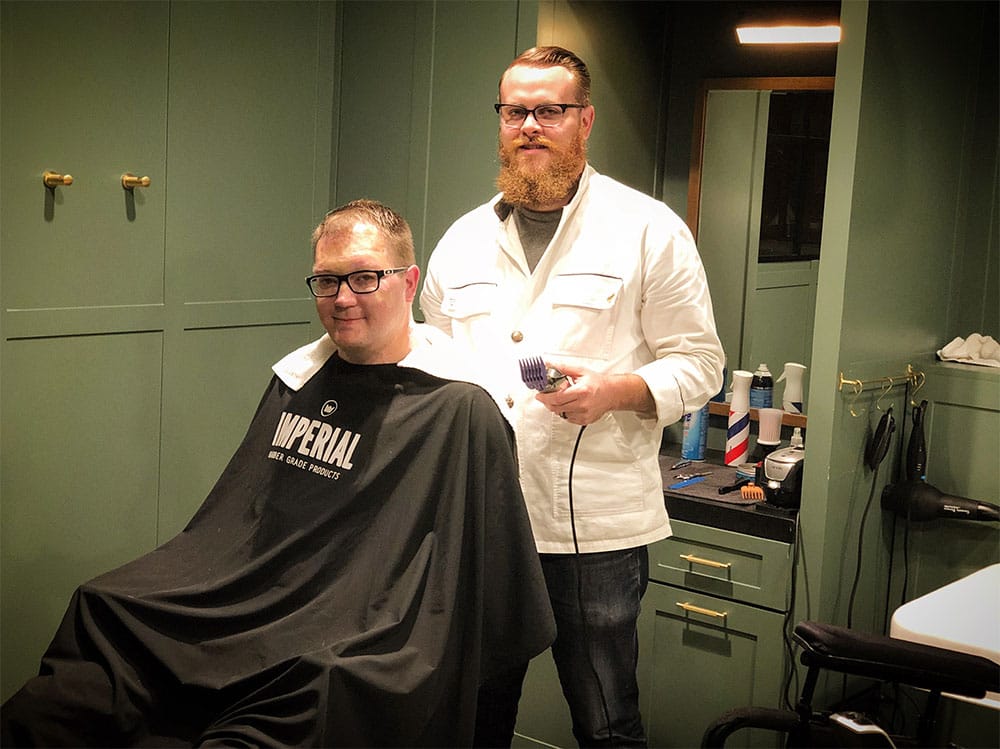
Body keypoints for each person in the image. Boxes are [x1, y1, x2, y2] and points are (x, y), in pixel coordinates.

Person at [2, 199, 555, 747]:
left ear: (409, 284)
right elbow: (238, 527)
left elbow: (482, 599)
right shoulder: (298, 381)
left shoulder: (460, 409)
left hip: (350, 643)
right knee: (100, 624)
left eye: (364, 278)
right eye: (326, 281)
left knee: (317, 695)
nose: (342, 299)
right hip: (252, 616)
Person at [420, 47, 725, 747]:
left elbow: (702, 363)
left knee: (607, 719)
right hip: (484, 514)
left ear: (584, 121)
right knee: (475, 712)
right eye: (514, 111)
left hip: (594, 527)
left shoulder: (647, 230)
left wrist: (621, 389)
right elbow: (432, 356)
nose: (529, 125)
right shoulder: (463, 240)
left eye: (549, 110)